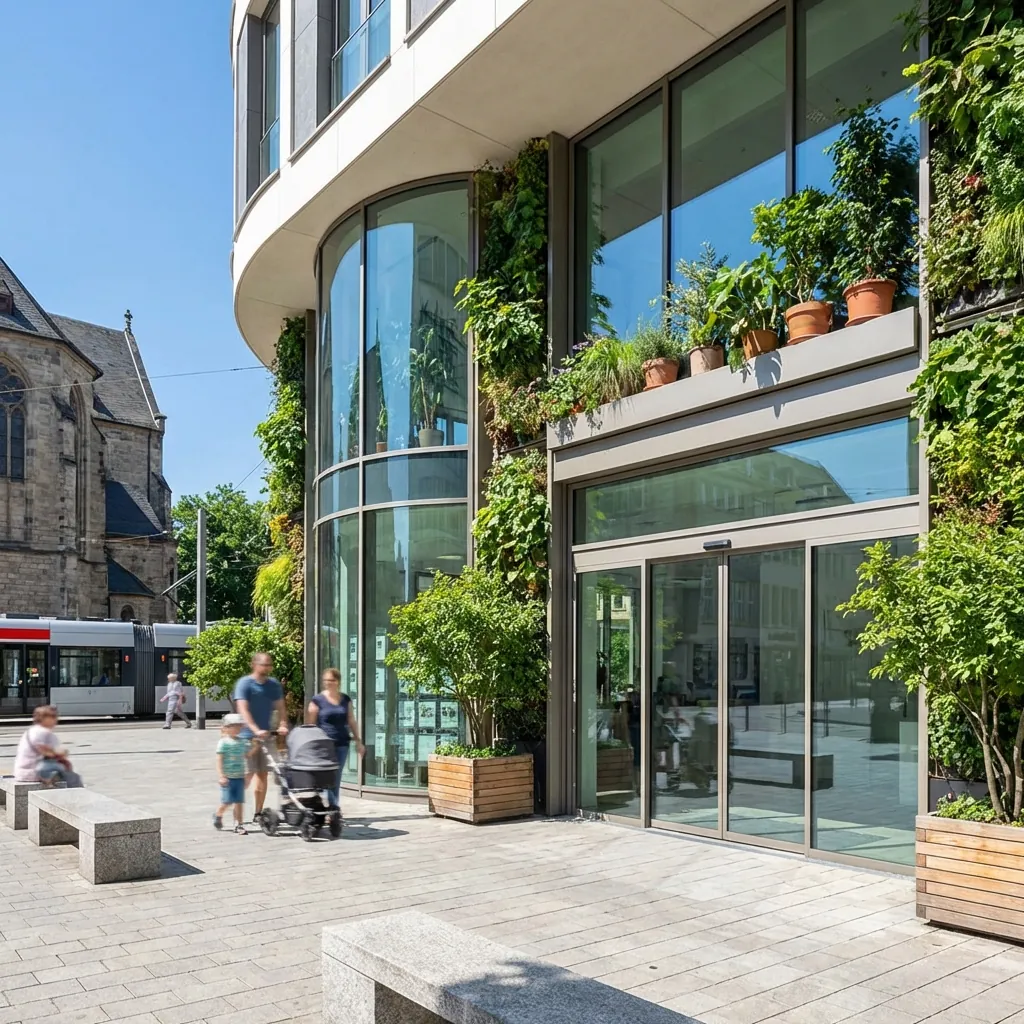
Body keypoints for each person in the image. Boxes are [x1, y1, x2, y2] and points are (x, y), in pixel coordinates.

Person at [233, 652, 288, 820]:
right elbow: (243, 709)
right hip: (246, 738)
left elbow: (281, 707)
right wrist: (255, 729)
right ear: (254, 665)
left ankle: (258, 813)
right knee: (247, 775)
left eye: (269, 665)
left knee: (263, 774)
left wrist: (283, 724)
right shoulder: (245, 684)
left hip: (266, 737)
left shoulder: (273, 685)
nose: (267, 668)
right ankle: (237, 818)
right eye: (264, 665)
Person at [305, 668, 364, 807]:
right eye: (326, 680)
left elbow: (351, 720)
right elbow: (310, 724)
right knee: (326, 776)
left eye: (331, 680)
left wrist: (358, 741)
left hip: (342, 744)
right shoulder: (317, 700)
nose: (328, 683)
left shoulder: (345, 700)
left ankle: (333, 809)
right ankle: (333, 807)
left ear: (338, 682)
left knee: (336, 777)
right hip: (323, 745)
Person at [13, 706, 84, 787]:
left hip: (21, 772)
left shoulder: (31, 731)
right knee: (74, 778)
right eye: (53, 716)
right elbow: (46, 751)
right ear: (43, 718)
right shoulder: (44, 732)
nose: (56, 719)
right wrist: (63, 754)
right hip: (34, 772)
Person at [214, 713, 249, 834]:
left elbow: (246, 756)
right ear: (227, 728)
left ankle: (239, 824)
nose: (237, 728)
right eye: (234, 726)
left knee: (239, 802)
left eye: (239, 726)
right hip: (228, 778)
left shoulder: (243, 742)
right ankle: (218, 814)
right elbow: (219, 760)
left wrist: (256, 746)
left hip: (239, 777)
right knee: (227, 801)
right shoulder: (223, 743)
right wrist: (221, 776)